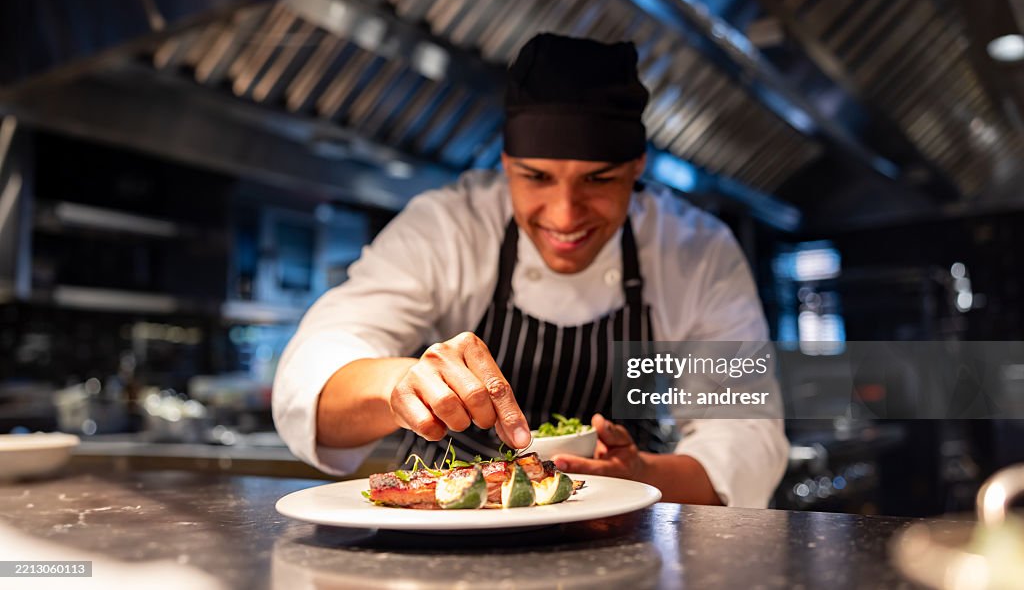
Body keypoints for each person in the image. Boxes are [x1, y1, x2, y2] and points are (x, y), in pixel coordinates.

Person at [273, 33, 788, 507]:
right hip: (437, 540)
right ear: (504, 163)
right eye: (536, 177)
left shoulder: (696, 250)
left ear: (638, 167)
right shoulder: (447, 227)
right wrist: (400, 382)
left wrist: (639, 472)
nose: (565, 215)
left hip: (618, 537)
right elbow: (311, 380)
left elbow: (744, 432)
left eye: (599, 179)